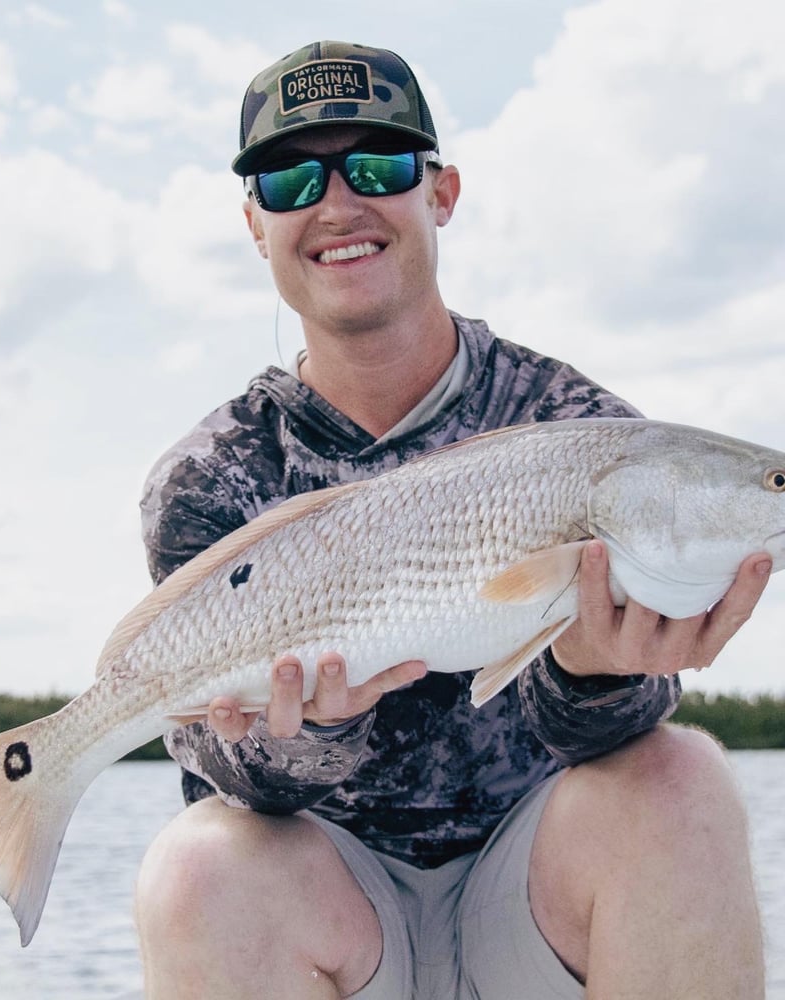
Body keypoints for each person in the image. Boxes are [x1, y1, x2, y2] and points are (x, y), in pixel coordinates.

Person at [135, 41, 770, 1000]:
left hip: (539, 908)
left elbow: (625, 737)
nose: (339, 205)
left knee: (684, 780)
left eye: (382, 165)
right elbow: (223, 770)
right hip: (334, 921)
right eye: (292, 176)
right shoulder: (208, 478)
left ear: (442, 192)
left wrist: (595, 674)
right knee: (196, 867)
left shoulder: (581, 427)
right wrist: (309, 733)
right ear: (254, 223)